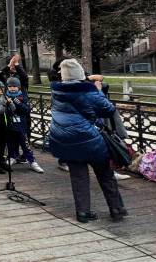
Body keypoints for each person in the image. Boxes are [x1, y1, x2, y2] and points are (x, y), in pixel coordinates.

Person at [49, 59, 127, 223]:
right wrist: (97, 90)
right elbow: (108, 110)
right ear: (80, 75)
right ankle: (116, 208)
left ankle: (83, 212)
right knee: (105, 173)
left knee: (78, 177)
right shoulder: (87, 91)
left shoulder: (57, 92)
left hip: (64, 139)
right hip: (89, 139)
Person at [5, 77, 45, 173]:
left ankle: (31, 161)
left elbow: (26, 110)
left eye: (14, 86)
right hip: (10, 124)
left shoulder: (22, 96)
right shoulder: (5, 95)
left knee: (25, 143)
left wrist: (15, 101)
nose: (12, 88)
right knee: (10, 142)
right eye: (10, 86)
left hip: (21, 125)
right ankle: (12, 157)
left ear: (18, 87)